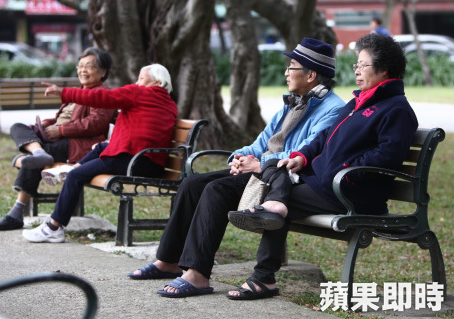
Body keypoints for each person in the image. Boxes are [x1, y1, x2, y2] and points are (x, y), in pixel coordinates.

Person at [128, 38, 346, 297]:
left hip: (282, 177)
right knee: (190, 184)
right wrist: (240, 157)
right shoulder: (292, 103)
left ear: (311, 75)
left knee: (216, 190)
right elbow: (261, 142)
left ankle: (197, 274)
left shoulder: (332, 109)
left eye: (292, 67)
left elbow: (307, 151)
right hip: (260, 168)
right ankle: (169, 260)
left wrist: (260, 163)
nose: (286, 72)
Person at [227, 33, 418, 300]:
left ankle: (263, 276)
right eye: (356, 65)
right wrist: (301, 157)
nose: (357, 70)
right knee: (274, 165)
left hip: (350, 193)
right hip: (324, 183)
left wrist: (344, 171)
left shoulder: (396, 109)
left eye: (362, 65)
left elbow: (386, 157)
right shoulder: (357, 102)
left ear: (384, 69)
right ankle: (273, 214)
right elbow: (322, 138)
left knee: (276, 195)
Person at [21, 63, 178, 243]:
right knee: (102, 147)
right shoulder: (169, 103)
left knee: (75, 177)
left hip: (132, 160)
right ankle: (72, 167)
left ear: (157, 81)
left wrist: (64, 92)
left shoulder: (139, 93)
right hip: (151, 164)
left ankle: (53, 227)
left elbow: (101, 96)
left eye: (141, 78)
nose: (137, 82)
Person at [0, 47, 117, 231]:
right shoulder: (75, 93)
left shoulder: (103, 94)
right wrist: (48, 124)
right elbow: (62, 118)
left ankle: (17, 211)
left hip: (81, 146)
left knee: (40, 156)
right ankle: (37, 152)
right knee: (18, 128)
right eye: (80, 65)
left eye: (89, 66)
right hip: (61, 139)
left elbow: (96, 124)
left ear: (103, 72)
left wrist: (60, 130)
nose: (82, 70)